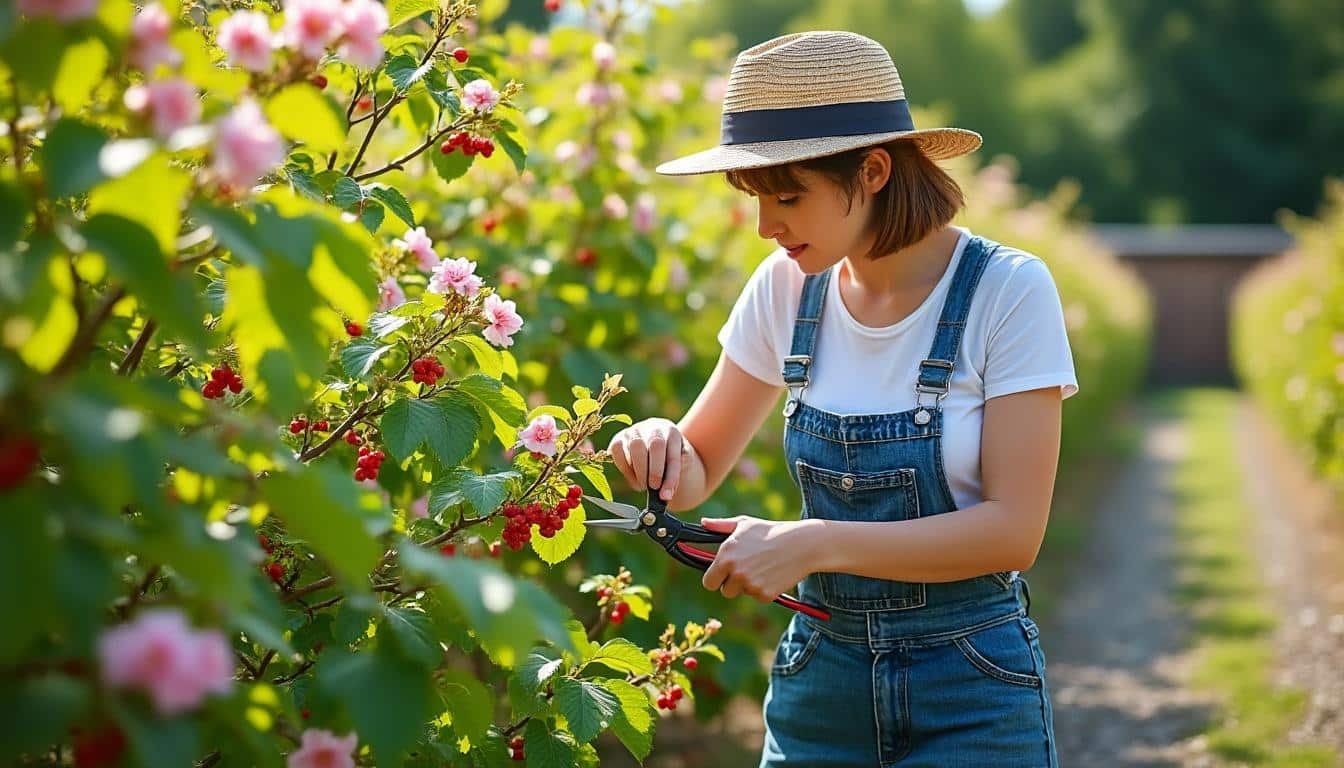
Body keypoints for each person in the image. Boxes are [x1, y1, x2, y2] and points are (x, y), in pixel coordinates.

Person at [607, 30, 1077, 766]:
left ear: (874, 169)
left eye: (788, 196)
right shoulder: (786, 289)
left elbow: (1013, 533)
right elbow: (695, 467)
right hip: (820, 683)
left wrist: (815, 542)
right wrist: (661, 444)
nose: (766, 226)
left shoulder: (1007, 291)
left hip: (972, 685)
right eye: (757, 198)